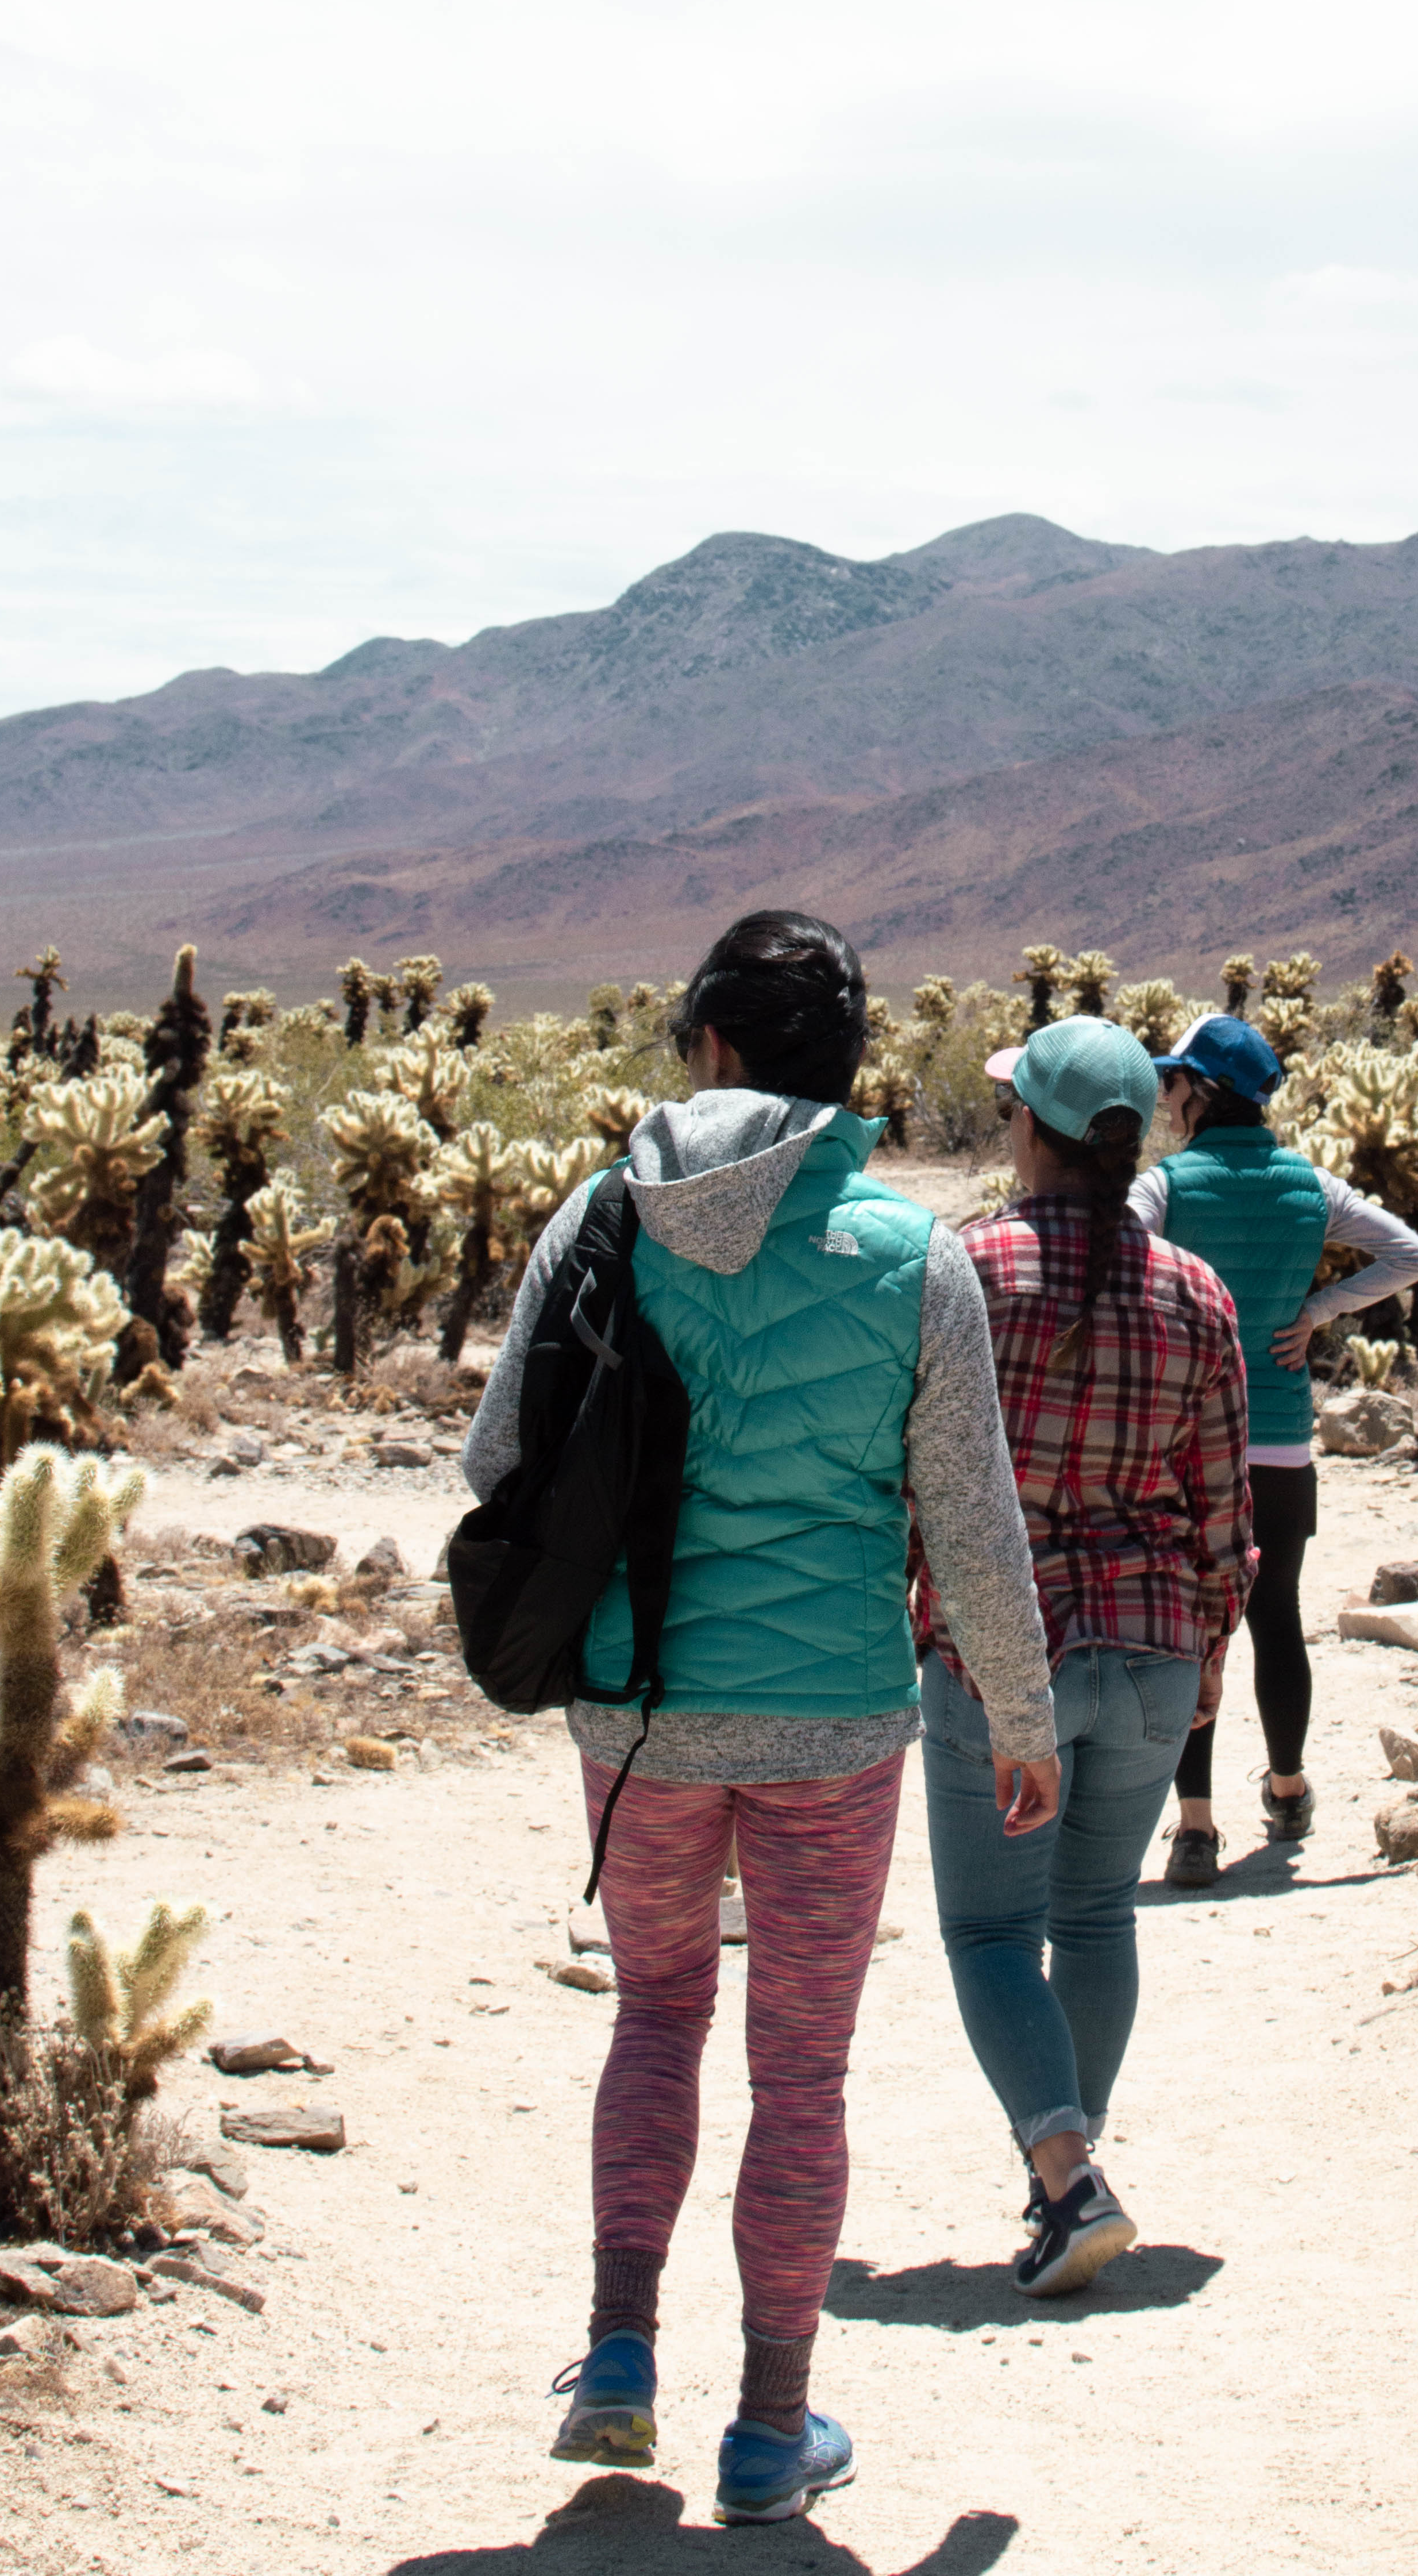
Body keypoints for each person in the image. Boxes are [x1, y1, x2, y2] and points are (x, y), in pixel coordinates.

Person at [460, 910, 1058, 2525]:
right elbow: (971, 1521)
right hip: (833, 1734)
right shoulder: (908, 1256)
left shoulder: (599, 1221)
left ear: (710, 1047)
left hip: (638, 1711)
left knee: (654, 2017)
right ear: (849, 1068)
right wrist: (1019, 1715)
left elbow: (492, 1457)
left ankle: (617, 2359)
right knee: (803, 2075)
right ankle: (768, 2434)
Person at [916, 1014, 1253, 2296]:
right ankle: (1070, 2175)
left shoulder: (964, 1270)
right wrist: (1213, 1645)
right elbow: (1221, 1504)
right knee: (1095, 1910)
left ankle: (1066, 2178)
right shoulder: (1194, 1291)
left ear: (1033, 1132)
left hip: (1008, 1657)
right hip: (1157, 1643)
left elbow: (922, 1473)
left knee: (990, 1931)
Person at [1131, 1014, 1418, 1888]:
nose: (1167, 1096)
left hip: (1188, 1444)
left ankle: (1195, 1826)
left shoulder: (1168, 1186)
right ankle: (1290, 1786)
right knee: (1277, 1618)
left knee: (1196, 1629)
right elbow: (1412, 1255)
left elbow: (1119, 1248)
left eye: (1173, 1081)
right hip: (1280, 1443)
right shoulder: (1312, 1186)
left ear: (1204, 1093)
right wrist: (1319, 1310)